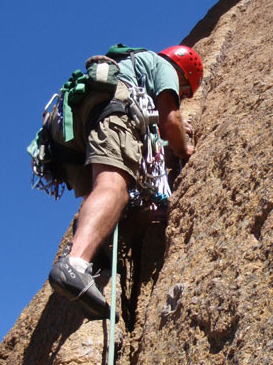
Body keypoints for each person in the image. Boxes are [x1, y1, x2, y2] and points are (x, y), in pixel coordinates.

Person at [47, 44, 203, 318]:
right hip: (113, 112)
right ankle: (76, 262)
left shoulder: (131, 66)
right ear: (184, 72)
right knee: (114, 189)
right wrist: (182, 149)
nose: (183, 97)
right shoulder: (164, 66)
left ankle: (95, 250)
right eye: (185, 91)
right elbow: (170, 118)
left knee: (108, 195)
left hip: (77, 128)